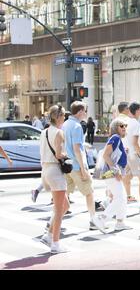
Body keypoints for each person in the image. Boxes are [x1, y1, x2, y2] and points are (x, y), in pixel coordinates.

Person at [63, 101, 104, 231]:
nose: (86, 113)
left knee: (63, 194)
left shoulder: (65, 124)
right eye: (85, 111)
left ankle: (52, 222)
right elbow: (77, 149)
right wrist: (83, 168)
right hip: (76, 166)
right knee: (89, 193)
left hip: (66, 165)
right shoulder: (76, 126)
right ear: (80, 111)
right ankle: (93, 220)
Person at [39, 105, 70, 254]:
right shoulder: (59, 132)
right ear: (58, 117)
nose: (64, 118)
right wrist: (67, 155)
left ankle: (49, 235)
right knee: (59, 210)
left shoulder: (43, 132)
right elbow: (59, 154)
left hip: (45, 170)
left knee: (65, 205)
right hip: (55, 171)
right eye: (63, 116)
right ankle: (55, 244)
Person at [95, 119, 132, 231]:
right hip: (112, 173)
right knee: (120, 198)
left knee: (122, 197)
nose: (124, 127)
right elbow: (106, 155)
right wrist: (115, 170)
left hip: (113, 172)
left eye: (125, 125)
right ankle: (102, 218)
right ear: (116, 128)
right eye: (121, 126)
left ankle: (120, 222)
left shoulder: (117, 139)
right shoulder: (115, 138)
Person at [123, 102, 140, 212]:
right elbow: (135, 142)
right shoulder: (136, 124)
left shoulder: (125, 122)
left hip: (126, 153)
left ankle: (127, 197)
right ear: (137, 111)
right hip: (134, 154)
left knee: (127, 177)